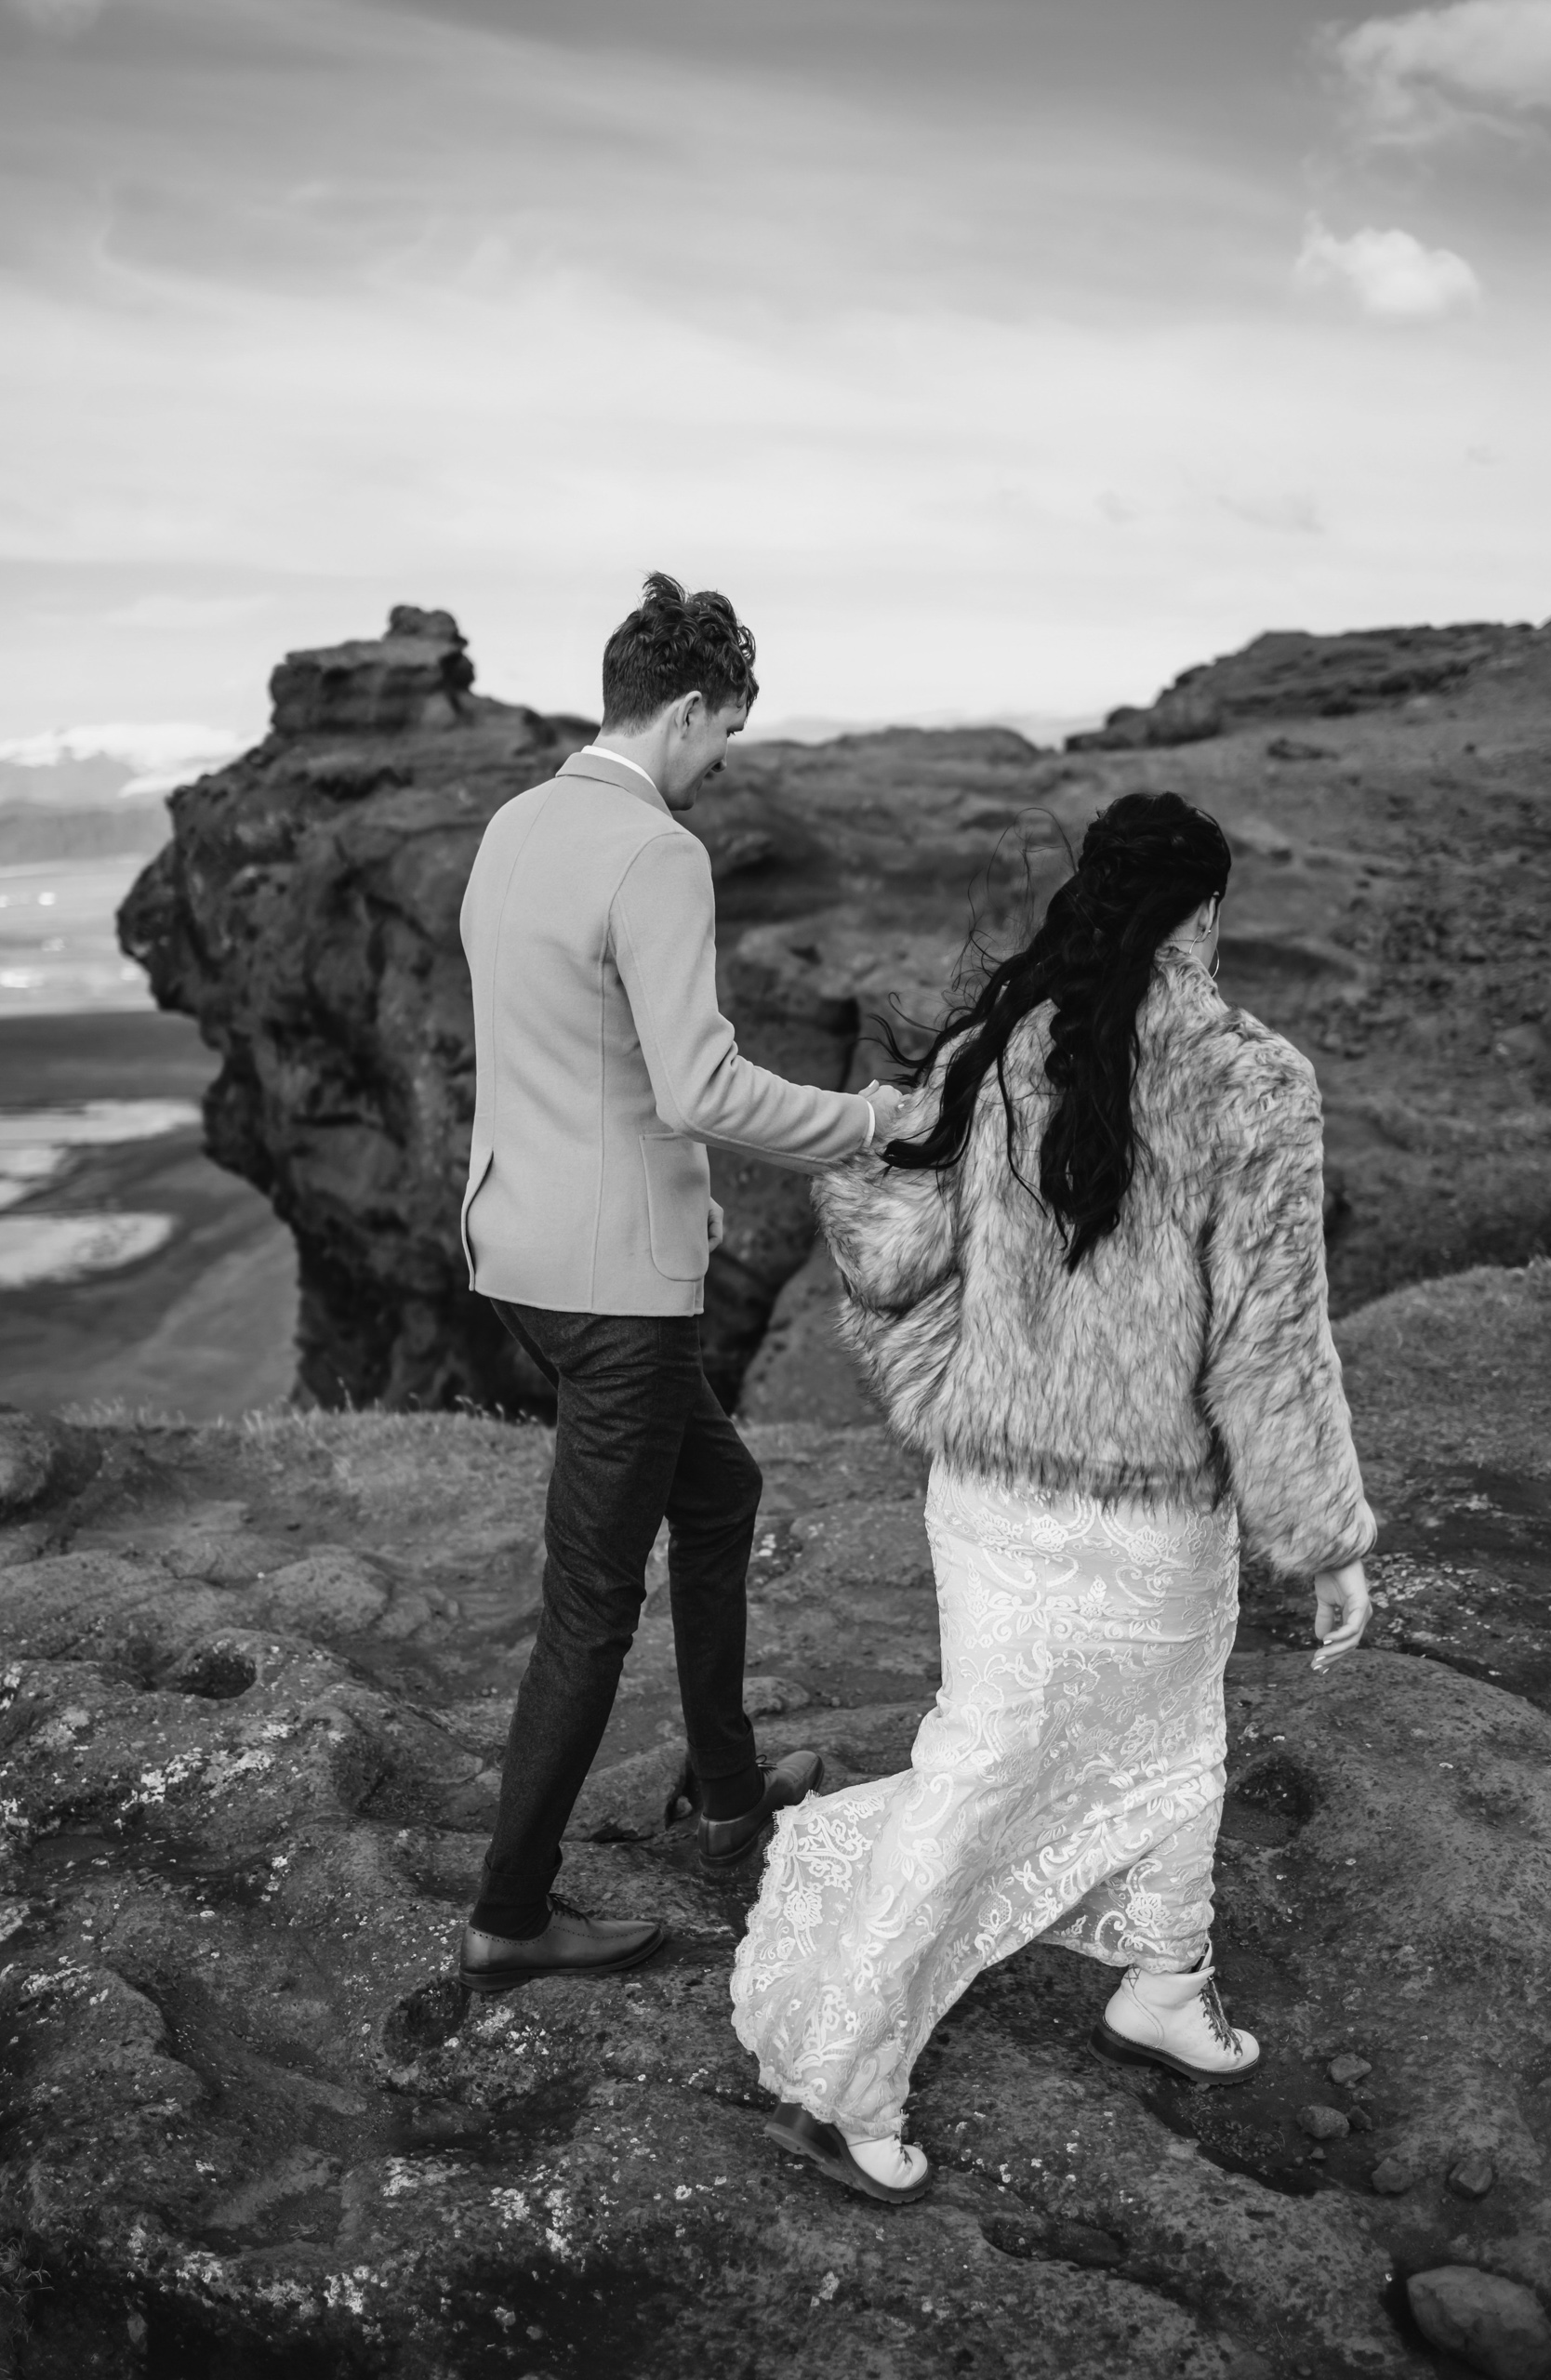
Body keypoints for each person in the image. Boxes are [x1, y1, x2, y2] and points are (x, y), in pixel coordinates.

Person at [730, 790, 1375, 2204]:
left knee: (1022, 1752)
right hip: (1155, 1511)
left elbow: (887, 1248)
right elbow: (1270, 1335)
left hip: (985, 1489)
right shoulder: (1259, 1079)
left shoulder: (999, 1046)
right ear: (1206, 914)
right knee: (1147, 1738)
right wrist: (1326, 1534)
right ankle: (844, 2081)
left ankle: (1167, 1977)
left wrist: (949, 1354)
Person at [455, 573, 906, 1994]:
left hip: (517, 1249)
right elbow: (700, 1084)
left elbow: (551, 1047)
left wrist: (674, 1185)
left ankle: (726, 1793)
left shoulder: (517, 826)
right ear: (693, 710)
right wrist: (870, 1120)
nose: (724, 764)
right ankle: (510, 1911)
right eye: (729, 736)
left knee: (721, 1494)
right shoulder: (656, 853)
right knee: (593, 1603)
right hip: (614, 1287)